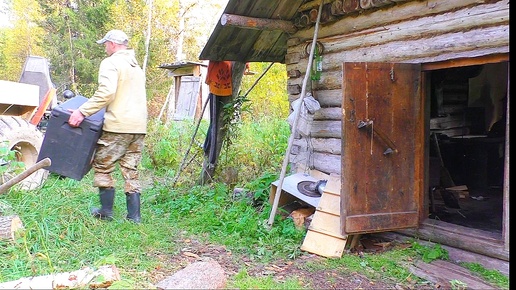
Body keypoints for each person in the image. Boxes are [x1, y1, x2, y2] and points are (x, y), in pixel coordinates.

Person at [68, 29, 148, 223]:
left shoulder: (111, 63)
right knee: (131, 169)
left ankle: (106, 212)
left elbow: (106, 93)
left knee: (103, 165)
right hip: (138, 127)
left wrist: (82, 111)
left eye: (105, 44)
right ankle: (134, 217)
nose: (104, 47)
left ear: (112, 44)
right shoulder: (136, 67)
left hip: (118, 126)